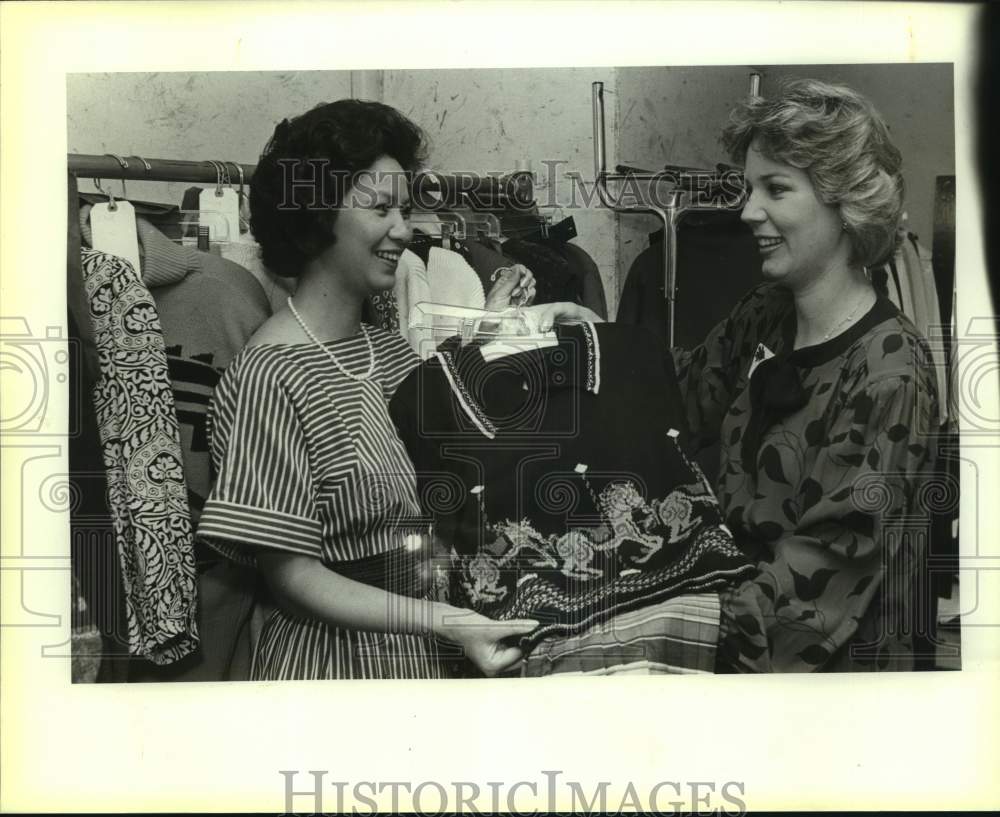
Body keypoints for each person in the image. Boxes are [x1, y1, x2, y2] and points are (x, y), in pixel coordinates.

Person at [195, 99, 583, 680]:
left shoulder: (388, 348)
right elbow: (293, 579)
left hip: (431, 651)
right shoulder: (268, 375)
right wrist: (443, 621)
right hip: (336, 667)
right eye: (380, 209)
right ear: (315, 216)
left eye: (404, 208)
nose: (404, 230)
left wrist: (536, 324)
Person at [672, 79, 941, 672]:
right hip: (732, 633)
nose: (747, 212)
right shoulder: (764, 313)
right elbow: (678, 396)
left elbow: (821, 574)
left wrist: (666, 623)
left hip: (826, 685)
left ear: (844, 204)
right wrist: (589, 339)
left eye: (776, 189)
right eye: (749, 188)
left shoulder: (889, 372)